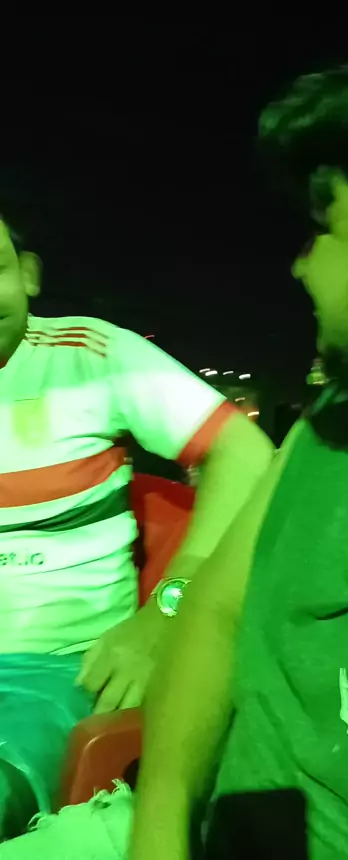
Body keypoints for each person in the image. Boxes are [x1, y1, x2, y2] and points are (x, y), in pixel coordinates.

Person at [4, 0, 348, 857]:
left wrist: (160, 609)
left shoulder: (96, 357)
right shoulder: (334, 428)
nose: (299, 264)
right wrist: (157, 836)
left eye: (325, 227)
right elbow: (216, 619)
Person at [0, 217, 274, 840]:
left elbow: (245, 453)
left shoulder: (91, 355)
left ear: (29, 275)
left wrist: (169, 610)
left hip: (51, 671)